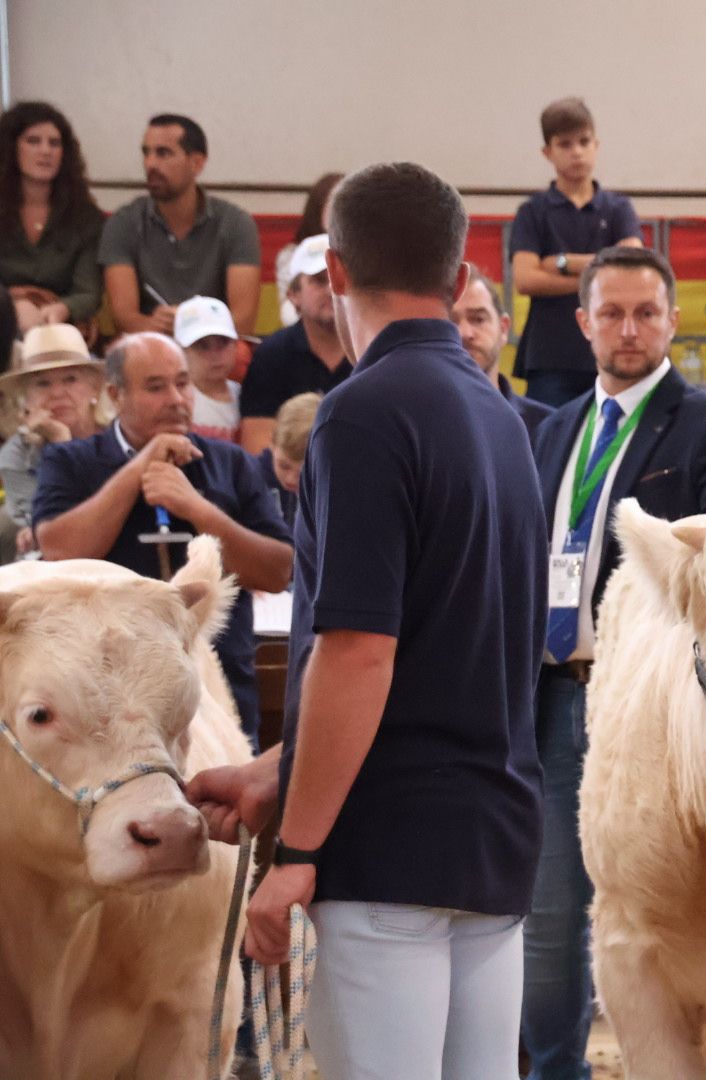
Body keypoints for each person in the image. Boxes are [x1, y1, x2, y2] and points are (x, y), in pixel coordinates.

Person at [187, 162, 547, 1080]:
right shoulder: (502, 418)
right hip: (492, 838)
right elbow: (443, 650)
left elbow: (359, 655)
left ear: (335, 274)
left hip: (389, 847)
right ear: (462, 280)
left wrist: (299, 849)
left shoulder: (362, 413)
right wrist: (280, 769)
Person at [525, 244, 706, 1079]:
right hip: (555, 694)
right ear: (582, 322)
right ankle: (555, 1071)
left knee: (673, 909)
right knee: (551, 914)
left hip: (659, 709)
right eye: (613, 314)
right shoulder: (550, 429)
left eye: (647, 313)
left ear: (671, 321)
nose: (630, 330)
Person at [32, 333, 292, 744]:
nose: (176, 398)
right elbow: (60, 549)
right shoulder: (71, 461)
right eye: (156, 387)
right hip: (107, 708)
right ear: (116, 395)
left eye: (183, 383)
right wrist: (137, 470)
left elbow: (278, 571)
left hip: (221, 698)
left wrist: (197, 509)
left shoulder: (232, 462)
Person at [509, 98, 643, 408]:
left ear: (597, 144)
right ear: (548, 152)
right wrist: (599, 276)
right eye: (565, 144)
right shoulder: (532, 212)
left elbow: (629, 265)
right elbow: (526, 279)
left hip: (610, 352)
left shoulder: (619, 209)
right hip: (550, 355)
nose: (577, 152)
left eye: (584, 142)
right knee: (550, 446)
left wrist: (560, 262)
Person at [99, 114, 261, 338]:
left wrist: (193, 323)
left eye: (163, 153)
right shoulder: (123, 222)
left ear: (196, 163)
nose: (151, 164)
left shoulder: (236, 223)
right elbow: (123, 319)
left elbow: (243, 321)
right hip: (152, 345)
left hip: (214, 346)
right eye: (146, 153)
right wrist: (153, 325)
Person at [0, 323, 107, 556]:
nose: (57, 393)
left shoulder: (119, 437)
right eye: (43, 383)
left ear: (94, 388)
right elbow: (54, 533)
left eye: (70, 379)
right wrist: (61, 441)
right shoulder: (16, 455)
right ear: (26, 398)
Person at [239, 233, 351, 455]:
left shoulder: (376, 350)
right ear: (293, 296)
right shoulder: (270, 356)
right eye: (319, 280)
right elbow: (256, 445)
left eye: (337, 278)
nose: (330, 289)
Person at [0, 101, 103, 333]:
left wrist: (62, 309)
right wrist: (12, 298)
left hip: (59, 323)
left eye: (54, 143)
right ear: (11, 148)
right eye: (33, 141)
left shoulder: (85, 217)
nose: (46, 151)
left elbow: (88, 292)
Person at [453, 265, 551, 438]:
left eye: (478, 319)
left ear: (504, 328)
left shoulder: (548, 428)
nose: (465, 333)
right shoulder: (413, 426)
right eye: (451, 322)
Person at [275, 171, 343, 326]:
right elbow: (289, 315)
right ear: (318, 209)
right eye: (334, 205)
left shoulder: (364, 255)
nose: (340, 213)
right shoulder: (292, 255)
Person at [174, 295, 242, 443]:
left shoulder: (244, 395)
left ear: (236, 345)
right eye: (202, 345)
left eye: (223, 342)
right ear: (180, 351)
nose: (215, 354)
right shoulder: (177, 401)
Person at [256, 391, 320, 528]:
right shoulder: (250, 478)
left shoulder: (327, 490)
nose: (291, 479)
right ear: (272, 444)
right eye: (284, 466)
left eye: (303, 472)